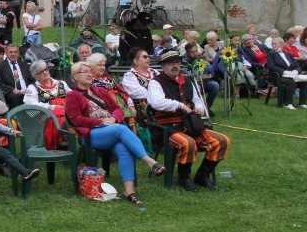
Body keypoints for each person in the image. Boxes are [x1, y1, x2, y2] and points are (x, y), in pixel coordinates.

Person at [65, 61, 166, 205]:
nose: (89, 74)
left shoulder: (99, 91)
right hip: (91, 134)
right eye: (85, 71)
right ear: (75, 76)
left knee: (124, 149)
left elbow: (117, 109)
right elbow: (76, 120)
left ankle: (129, 191)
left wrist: (113, 118)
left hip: (111, 130)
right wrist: (101, 122)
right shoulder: (72, 96)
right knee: (121, 129)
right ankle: (150, 162)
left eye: (90, 71)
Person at [147, 50, 230, 192]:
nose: (175, 66)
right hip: (167, 128)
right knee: (187, 143)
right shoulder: (155, 82)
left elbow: (199, 101)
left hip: (191, 125)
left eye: (177, 63)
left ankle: (202, 176)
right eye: (170, 63)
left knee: (222, 141)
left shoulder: (189, 80)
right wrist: (180, 105)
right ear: (163, 66)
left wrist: (198, 108)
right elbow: (156, 103)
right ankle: (184, 177)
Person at [24, 59, 71, 149]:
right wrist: (51, 107)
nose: (45, 72)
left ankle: (64, 145)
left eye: (46, 69)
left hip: (66, 113)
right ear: (35, 76)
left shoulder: (61, 83)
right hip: (45, 117)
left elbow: (72, 97)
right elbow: (30, 106)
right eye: (41, 72)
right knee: (60, 120)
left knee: (64, 118)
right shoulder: (33, 88)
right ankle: (61, 146)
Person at [267, 37, 307, 109]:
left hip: (292, 75)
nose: (273, 45)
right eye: (272, 44)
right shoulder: (271, 54)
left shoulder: (288, 54)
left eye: (275, 44)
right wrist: (284, 72)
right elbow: (271, 66)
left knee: (305, 82)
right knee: (292, 82)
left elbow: (297, 66)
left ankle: (302, 103)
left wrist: (296, 71)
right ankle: (288, 103)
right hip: (278, 76)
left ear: (281, 44)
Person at [0, 44, 33, 110]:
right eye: (11, 52)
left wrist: (31, 88)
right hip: (10, 92)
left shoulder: (24, 65)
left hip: (26, 91)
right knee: (14, 96)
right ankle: (15, 117)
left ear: (18, 54)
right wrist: (12, 89)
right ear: (6, 53)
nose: (13, 54)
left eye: (15, 52)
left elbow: (31, 80)